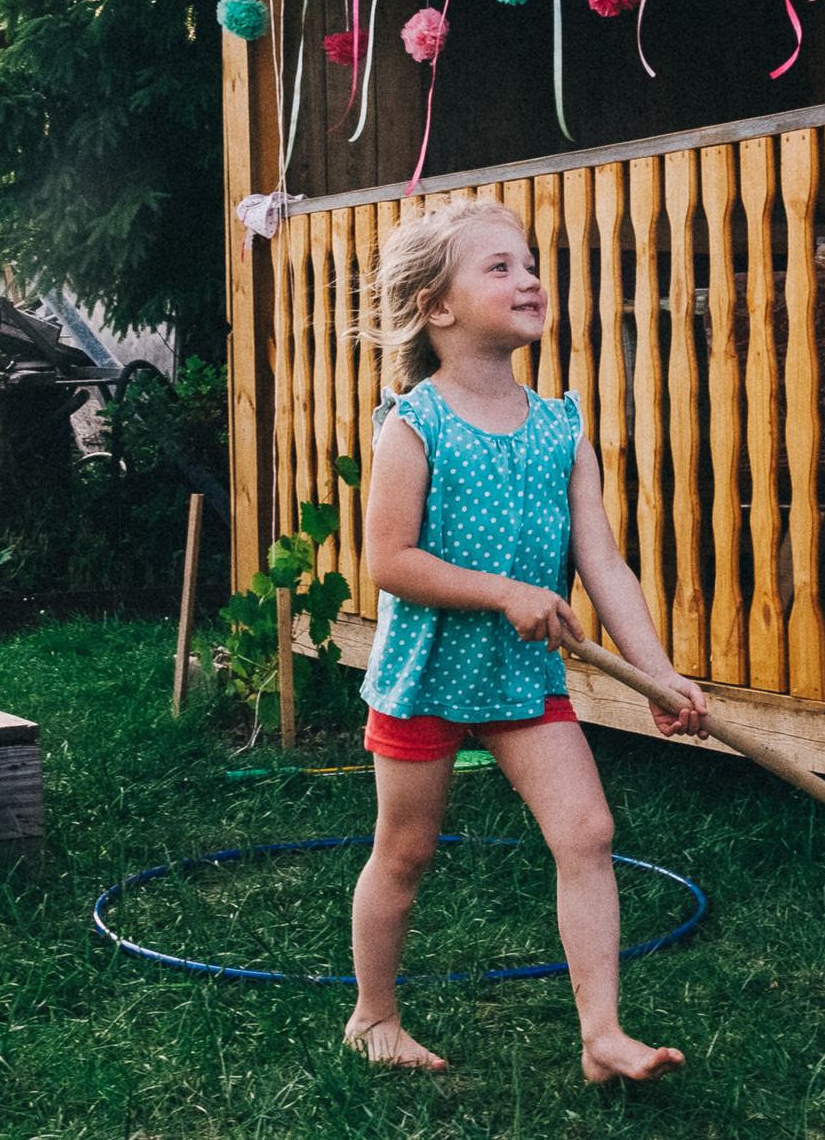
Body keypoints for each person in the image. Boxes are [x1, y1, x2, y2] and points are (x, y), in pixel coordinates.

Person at [345, 197, 709, 1082]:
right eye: (499, 266)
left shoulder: (560, 428)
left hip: (519, 676)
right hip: (426, 673)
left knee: (587, 830)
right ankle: (373, 1017)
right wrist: (505, 590)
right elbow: (388, 559)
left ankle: (601, 1036)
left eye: (530, 262)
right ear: (437, 307)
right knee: (407, 848)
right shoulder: (415, 424)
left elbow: (605, 563)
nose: (529, 278)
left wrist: (657, 676)